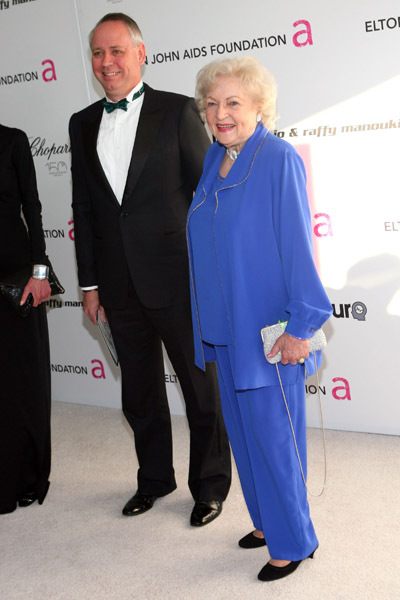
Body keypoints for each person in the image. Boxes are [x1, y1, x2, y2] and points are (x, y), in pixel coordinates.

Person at [69, 13, 231, 526]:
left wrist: (211, 275)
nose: (106, 62)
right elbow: (85, 209)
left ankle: (209, 487)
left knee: (200, 390)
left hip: (179, 279)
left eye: (116, 51)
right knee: (138, 392)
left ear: (141, 53)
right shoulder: (81, 122)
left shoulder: (179, 110)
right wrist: (90, 284)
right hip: (117, 284)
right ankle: (154, 479)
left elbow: (207, 201)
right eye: (98, 53)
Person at [187, 56, 333, 580]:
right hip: (226, 331)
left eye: (232, 103)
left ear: (257, 107)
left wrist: (302, 326)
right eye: (212, 104)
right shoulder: (215, 159)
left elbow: (298, 245)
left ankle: (295, 540)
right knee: (246, 438)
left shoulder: (276, 158)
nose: (220, 113)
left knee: (275, 438)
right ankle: (269, 522)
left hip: (269, 330)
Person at [0, 124, 52, 515]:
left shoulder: (13, 140)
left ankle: (26, 477)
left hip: (13, 272)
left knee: (22, 378)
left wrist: (39, 272)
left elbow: (32, 206)